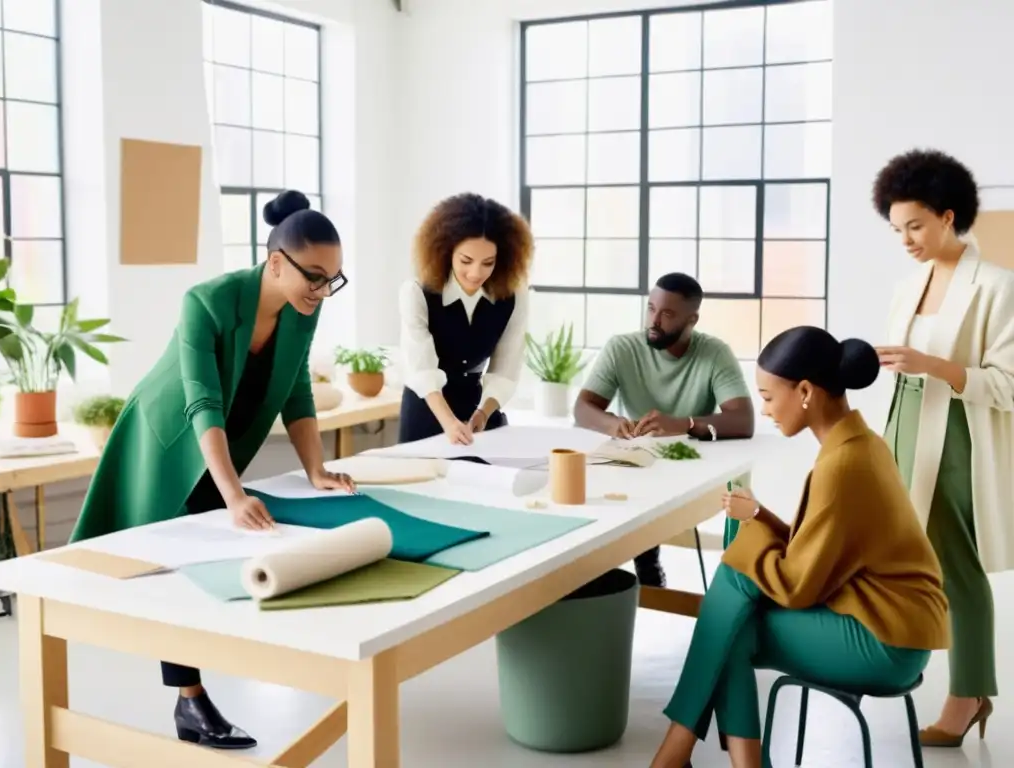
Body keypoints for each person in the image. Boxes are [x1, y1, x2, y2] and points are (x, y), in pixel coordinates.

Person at [70, 190, 356, 750]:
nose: (323, 292)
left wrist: (317, 468)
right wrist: (232, 492)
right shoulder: (206, 301)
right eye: (315, 277)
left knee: (217, 553)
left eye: (333, 280)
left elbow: (296, 387)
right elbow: (201, 400)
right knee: (177, 561)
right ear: (276, 262)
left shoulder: (305, 309)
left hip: (225, 432)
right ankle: (191, 701)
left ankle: (196, 692)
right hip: (168, 438)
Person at [649, 326, 950, 768]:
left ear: (806, 391)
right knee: (734, 622)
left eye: (769, 397)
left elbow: (797, 586)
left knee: (731, 606)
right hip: (892, 626)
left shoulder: (844, 463)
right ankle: (695, 755)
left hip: (884, 640)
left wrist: (750, 538)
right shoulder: (859, 444)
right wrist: (760, 519)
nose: (765, 410)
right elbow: (822, 547)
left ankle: (678, 750)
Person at [872, 148, 1014, 746]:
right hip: (903, 423)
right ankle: (900, 662)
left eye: (916, 226)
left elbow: (1006, 384)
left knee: (956, 563)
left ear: (948, 216)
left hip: (957, 432)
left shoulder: (998, 287)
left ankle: (969, 695)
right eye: (897, 228)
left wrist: (935, 365)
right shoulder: (911, 283)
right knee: (909, 555)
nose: (905, 239)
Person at [574, 272, 755, 586]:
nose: (654, 321)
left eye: (667, 314)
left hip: (692, 466)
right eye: (651, 309)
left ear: (692, 319)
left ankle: (656, 568)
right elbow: (582, 408)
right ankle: (624, 568)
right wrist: (613, 424)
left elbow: (743, 420)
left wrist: (683, 424)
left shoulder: (714, 353)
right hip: (637, 463)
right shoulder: (622, 348)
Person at [398, 192, 534, 445]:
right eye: (466, 260)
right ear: (446, 251)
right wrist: (449, 423)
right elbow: (422, 369)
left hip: (478, 409)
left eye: (488, 263)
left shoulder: (513, 296)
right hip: (428, 407)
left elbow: (506, 368)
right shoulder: (416, 292)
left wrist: (483, 412)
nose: (475, 273)